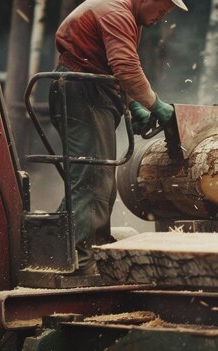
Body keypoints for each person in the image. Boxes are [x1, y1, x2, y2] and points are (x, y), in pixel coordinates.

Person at [49, 0, 188, 275]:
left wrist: (133, 105)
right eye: (162, 10)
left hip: (90, 87)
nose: (161, 18)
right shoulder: (116, 12)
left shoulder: (122, 14)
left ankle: (71, 250)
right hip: (81, 89)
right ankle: (81, 260)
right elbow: (125, 67)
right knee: (92, 178)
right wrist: (155, 105)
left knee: (94, 177)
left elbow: (109, 70)